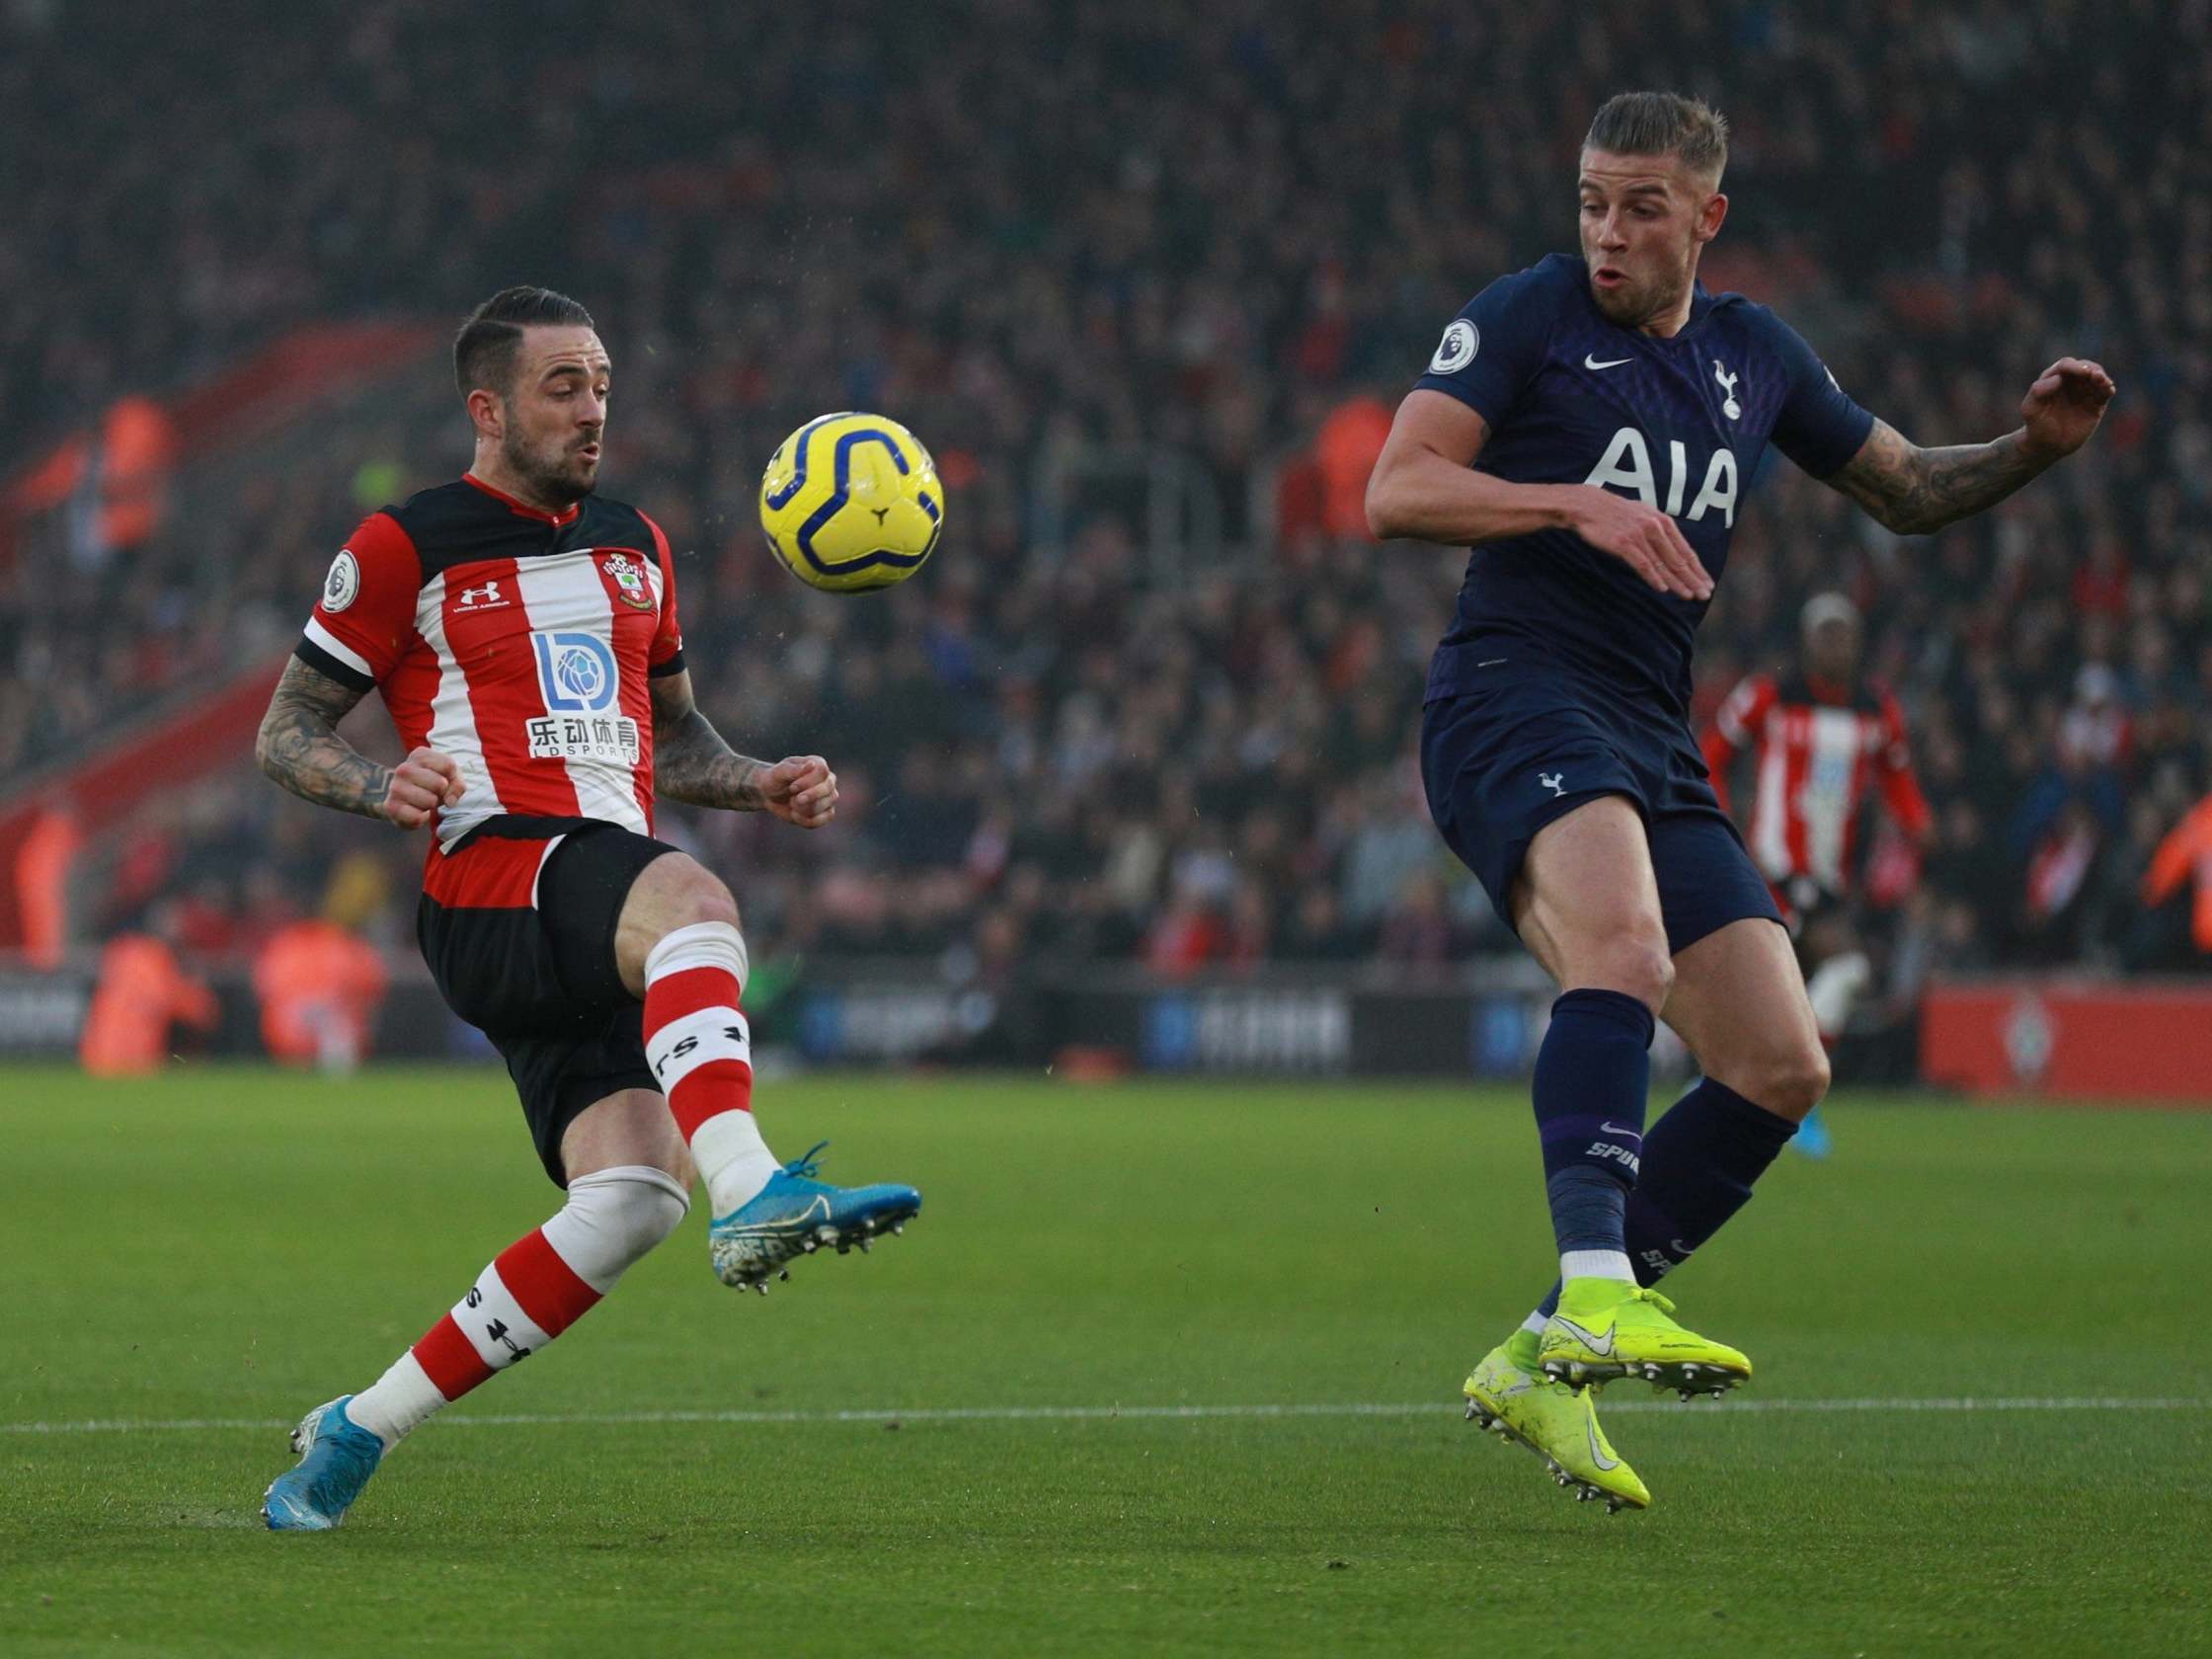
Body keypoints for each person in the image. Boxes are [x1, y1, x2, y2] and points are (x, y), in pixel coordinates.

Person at [1365, 92, 2112, 1511]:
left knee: (1780, 1062)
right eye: (1591, 197)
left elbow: (1901, 489)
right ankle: (1596, 1290)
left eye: (1642, 204)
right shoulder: (1529, 315)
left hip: (1654, 733)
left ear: (1708, 217)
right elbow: (1396, 489)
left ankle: (1538, 1356)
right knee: (1625, 960)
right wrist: (1570, 503)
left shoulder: (1752, 354)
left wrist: (2030, 454)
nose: (1607, 229)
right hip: (1515, 695)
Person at [252, 286, 920, 1531]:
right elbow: (285, 730)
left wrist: (756, 778)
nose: (593, 408)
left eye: (603, 383)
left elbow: (673, 738)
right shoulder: (407, 543)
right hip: (488, 872)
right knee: (694, 899)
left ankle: (354, 1431)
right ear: (487, 406)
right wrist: (372, 780)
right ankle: (758, 1189)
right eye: (565, 386)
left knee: (626, 1201)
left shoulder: (634, 542)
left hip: (591, 889)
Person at [1702, 592, 1935, 1154]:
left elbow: (1899, 783)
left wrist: (1919, 826)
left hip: (1830, 881)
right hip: (1769, 871)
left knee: (1833, 977)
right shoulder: (1770, 696)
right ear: (1807, 642)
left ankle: (1772, 1095)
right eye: (1826, 634)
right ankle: (1761, 1095)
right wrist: (1721, 830)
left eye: (1846, 634)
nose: (1837, 644)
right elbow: (1711, 756)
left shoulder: (1876, 710)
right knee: (1798, 979)